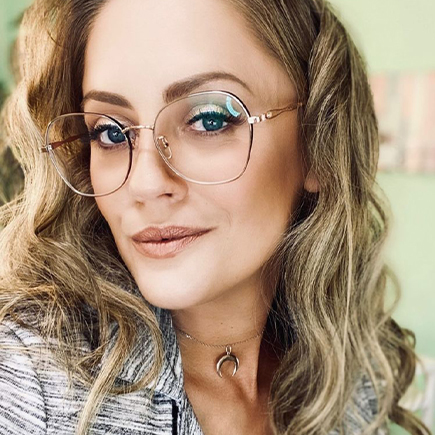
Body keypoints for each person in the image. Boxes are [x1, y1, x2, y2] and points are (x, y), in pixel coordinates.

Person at [0, 0, 430, 434]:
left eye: (209, 120)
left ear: (317, 140)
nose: (145, 184)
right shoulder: (27, 374)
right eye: (111, 132)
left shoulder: (351, 381)